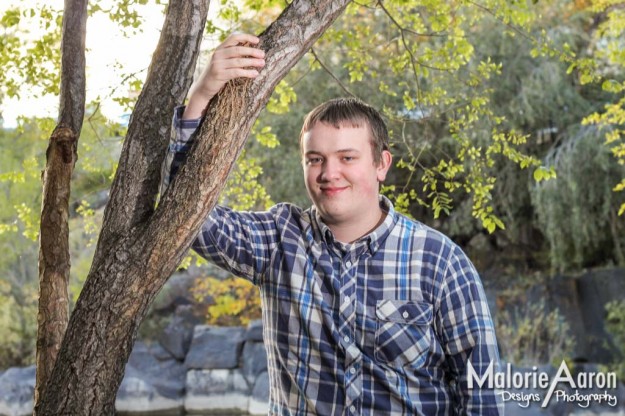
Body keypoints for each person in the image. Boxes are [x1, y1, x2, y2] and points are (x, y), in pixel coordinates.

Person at [161, 33, 503, 415]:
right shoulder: (279, 241)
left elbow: (482, 394)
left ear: (381, 165)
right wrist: (201, 96)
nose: (329, 173)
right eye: (315, 159)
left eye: (347, 157)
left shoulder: (441, 262)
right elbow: (190, 217)